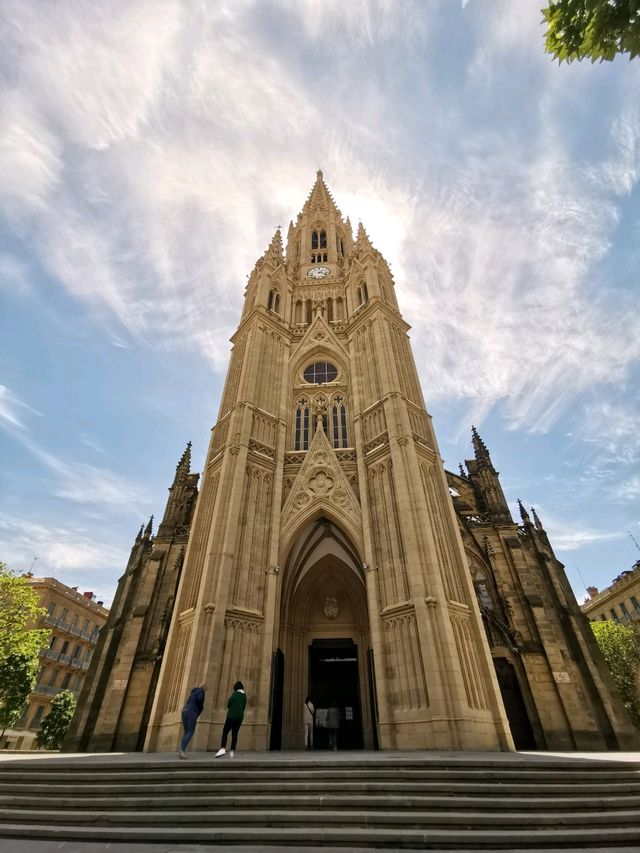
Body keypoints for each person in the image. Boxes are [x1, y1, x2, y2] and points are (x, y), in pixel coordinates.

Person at [215, 681, 247, 758]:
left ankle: (222, 749)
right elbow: (244, 706)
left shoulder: (235, 694)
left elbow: (229, 704)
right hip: (239, 717)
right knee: (235, 734)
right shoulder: (244, 695)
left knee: (225, 732)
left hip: (231, 716)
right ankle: (232, 750)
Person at [179, 683, 205, 759]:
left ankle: (181, 749)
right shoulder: (201, 691)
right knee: (190, 732)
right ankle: (182, 750)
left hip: (184, 711)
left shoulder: (193, 693)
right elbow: (200, 700)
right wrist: (201, 707)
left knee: (186, 732)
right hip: (192, 712)